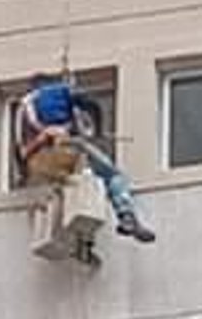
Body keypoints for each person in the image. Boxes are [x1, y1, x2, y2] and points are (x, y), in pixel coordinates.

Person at [14, 78, 155, 244]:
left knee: (65, 188)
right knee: (111, 175)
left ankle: (70, 240)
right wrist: (99, 130)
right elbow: (91, 103)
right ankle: (126, 216)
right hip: (63, 149)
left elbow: (19, 149)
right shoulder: (57, 90)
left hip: (37, 162)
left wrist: (23, 176)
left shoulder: (23, 107)